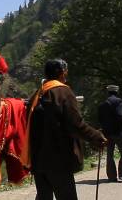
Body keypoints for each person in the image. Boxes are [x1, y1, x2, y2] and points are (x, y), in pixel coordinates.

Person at [29, 59, 107, 200]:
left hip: (38, 160)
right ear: (61, 72)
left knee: (43, 197)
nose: (66, 75)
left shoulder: (37, 94)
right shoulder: (62, 91)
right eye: (65, 71)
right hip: (58, 159)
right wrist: (96, 136)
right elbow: (76, 124)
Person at [98, 85, 122, 182]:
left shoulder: (102, 104)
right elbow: (120, 116)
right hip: (119, 132)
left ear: (108, 92)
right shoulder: (118, 101)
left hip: (107, 133)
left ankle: (112, 177)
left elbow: (100, 119)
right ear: (116, 92)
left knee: (110, 154)